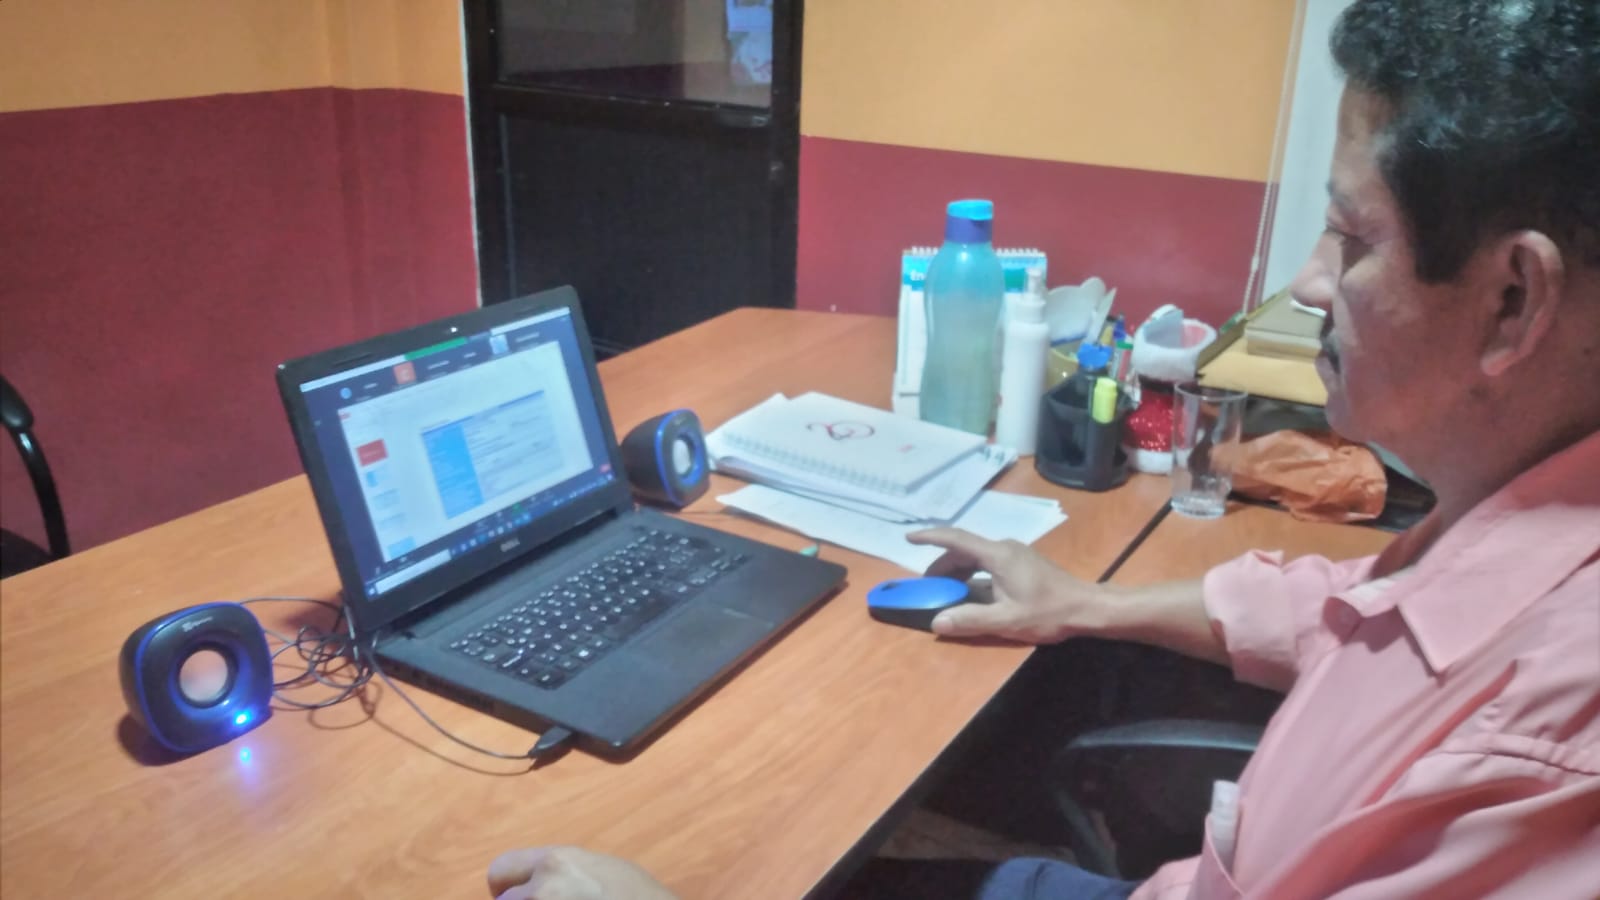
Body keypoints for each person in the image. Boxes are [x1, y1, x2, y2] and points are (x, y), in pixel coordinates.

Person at [485, 1, 1600, 897]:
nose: (1310, 281)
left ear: (1512, 301)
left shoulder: (1540, 750)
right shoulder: (1510, 528)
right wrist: (1085, 604)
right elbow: (1350, 610)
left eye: (1350, 237)